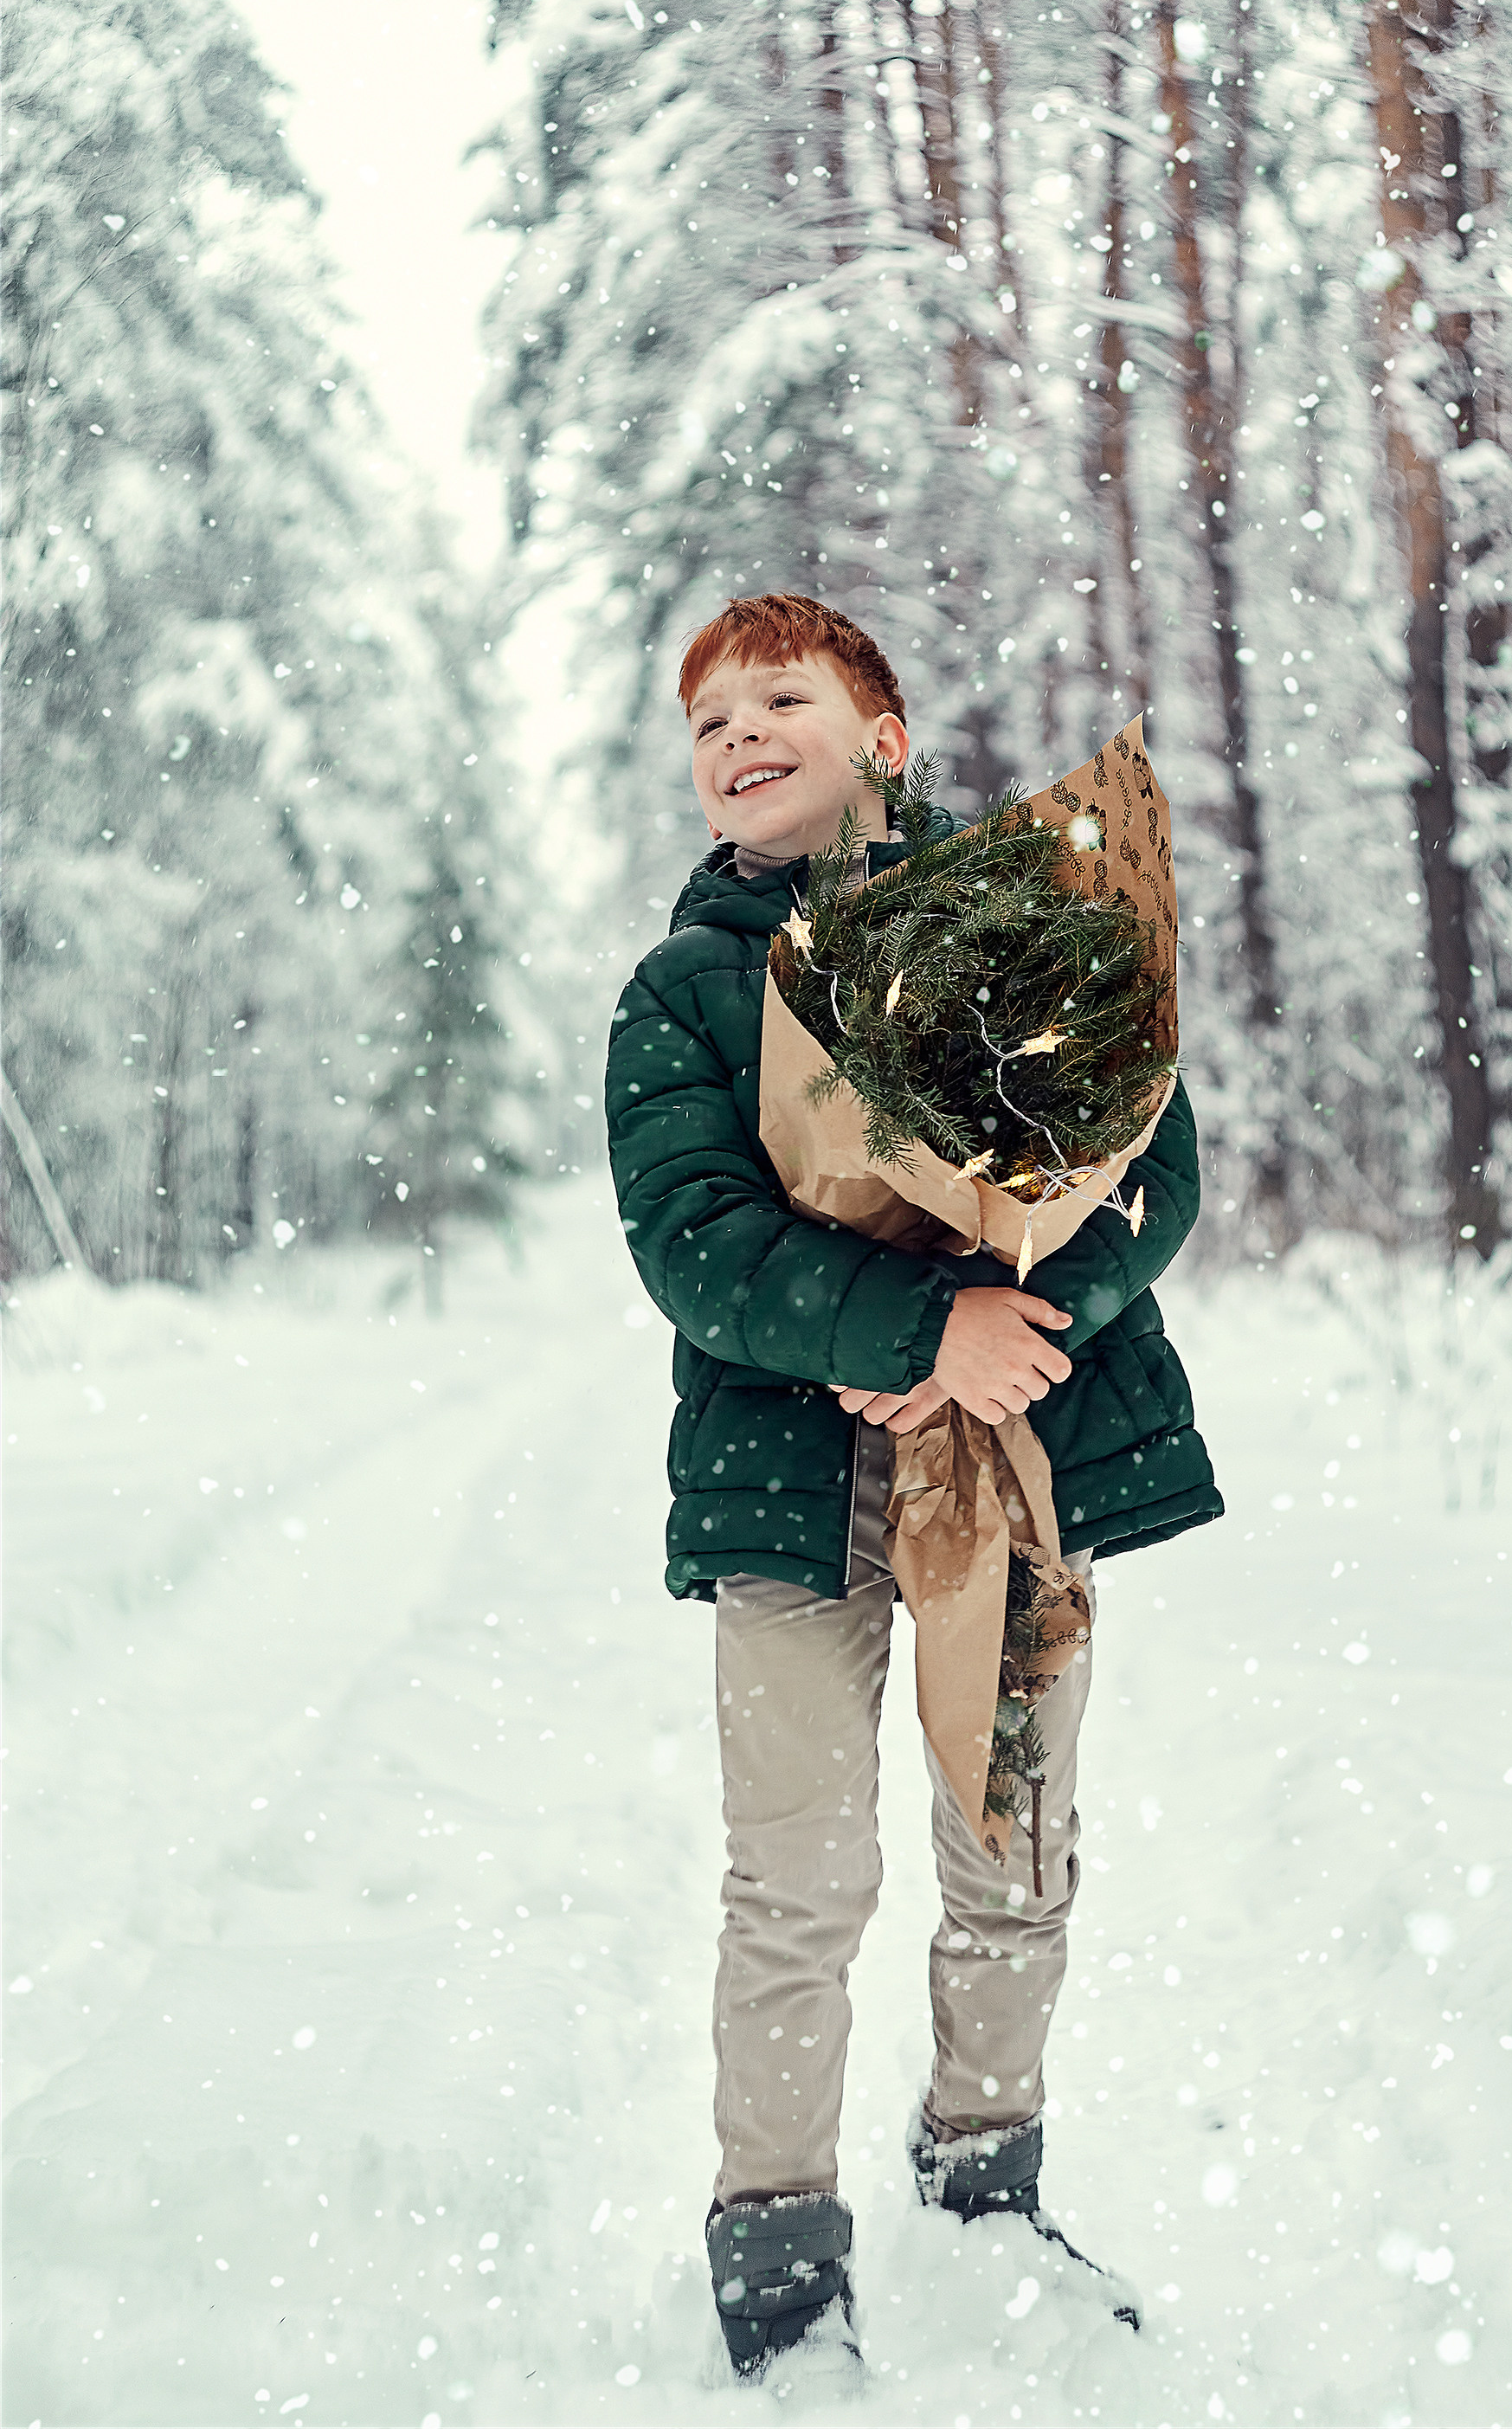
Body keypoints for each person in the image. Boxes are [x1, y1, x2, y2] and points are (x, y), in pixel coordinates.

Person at [605, 591, 1223, 2387]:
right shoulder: (685, 989)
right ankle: (778, 2243)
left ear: (882, 737)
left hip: (1016, 1467)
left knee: (1012, 1849)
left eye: (778, 699)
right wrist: (907, 1324)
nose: (739, 734)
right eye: (708, 721)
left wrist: (1008, 1330)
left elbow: (1148, 1164)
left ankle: (985, 2185)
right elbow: (693, 1238)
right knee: (798, 1874)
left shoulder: (1031, 926)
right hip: (787, 1488)